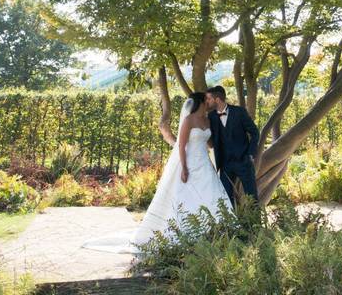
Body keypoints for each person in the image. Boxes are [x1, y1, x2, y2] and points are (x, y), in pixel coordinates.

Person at [82, 91, 231, 254]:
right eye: (206, 100)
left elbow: (209, 143)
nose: (209, 102)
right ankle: (186, 231)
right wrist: (184, 167)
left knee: (210, 193)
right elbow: (181, 145)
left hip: (204, 163)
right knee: (186, 195)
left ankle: (215, 231)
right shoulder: (189, 120)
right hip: (190, 162)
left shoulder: (208, 121)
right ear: (201, 103)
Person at [206, 85, 260, 206]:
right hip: (225, 165)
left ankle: (256, 223)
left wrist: (251, 154)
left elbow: (255, 132)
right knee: (226, 199)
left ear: (217, 99)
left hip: (244, 161)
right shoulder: (211, 117)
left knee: (252, 197)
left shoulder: (239, 112)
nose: (207, 102)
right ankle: (232, 225)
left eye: (209, 99)